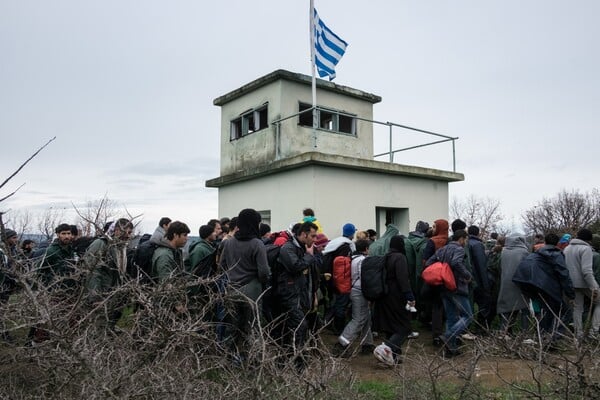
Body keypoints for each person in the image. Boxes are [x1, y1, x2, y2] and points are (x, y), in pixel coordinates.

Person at [219, 209, 270, 362]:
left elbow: (221, 266)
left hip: (232, 289)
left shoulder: (228, 242)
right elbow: (264, 272)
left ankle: (229, 359)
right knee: (253, 327)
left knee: (232, 327)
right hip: (252, 292)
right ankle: (253, 361)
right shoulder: (257, 244)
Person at [512, 233, 575, 343]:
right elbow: (563, 274)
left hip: (524, 280)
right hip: (541, 283)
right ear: (557, 243)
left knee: (547, 310)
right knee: (565, 312)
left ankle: (542, 336)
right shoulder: (556, 254)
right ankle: (552, 338)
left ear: (545, 241)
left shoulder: (536, 253)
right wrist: (571, 293)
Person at [274, 221, 319, 366]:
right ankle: (295, 361)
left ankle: (292, 359)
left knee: (296, 327)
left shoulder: (302, 248)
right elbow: (295, 267)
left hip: (301, 294)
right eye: (313, 236)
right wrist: (309, 256)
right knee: (299, 325)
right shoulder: (288, 248)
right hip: (289, 294)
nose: (315, 239)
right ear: (304, 234)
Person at [426, 229, 472, 357]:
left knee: (451, 317)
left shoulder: (442, 249)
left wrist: (441, 272)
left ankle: (451, 349)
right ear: (461, 239)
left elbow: (429, 262)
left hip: (443, 287)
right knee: (468, 315)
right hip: (457, 287)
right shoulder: (459, 249)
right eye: (465, 240)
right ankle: (448, 335)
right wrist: (467, 275)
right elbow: (456, 262)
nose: (465, 242)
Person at [372, 235, 415, 366]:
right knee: (404, 327)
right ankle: (384, 350)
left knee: (390, 326)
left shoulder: (385, 256)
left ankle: (394, 357)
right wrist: (410, 296)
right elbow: (403, 279)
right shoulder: (400, 257)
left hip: (383, 296)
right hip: (396, 296)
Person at [84, 218, 134, 331]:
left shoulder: (122, 248)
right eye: (125, 231)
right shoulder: (101, 244)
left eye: (130, 232)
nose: (128, 235)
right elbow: (92, 271)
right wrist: (95, 297)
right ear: (116, 230)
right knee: (97, 330)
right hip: (100, 298)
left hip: (113, 296)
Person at [332, 239, 374, 357]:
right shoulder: (362, 260)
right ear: (366, 249)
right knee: (359, 319)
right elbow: (364, 277)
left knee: (366, 318)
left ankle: (367, 344)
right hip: (360, 292)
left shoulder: (353, 258)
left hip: (354, 290)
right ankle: (342, 344)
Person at [564, 228, 600, 339]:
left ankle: (578, 334)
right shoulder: (586, 249)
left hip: (570, 283)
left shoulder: (567, 248)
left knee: (577, 308)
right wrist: (595, 287)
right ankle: (594, 332)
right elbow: (587, 271)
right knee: (599, 302)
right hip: (584, 283)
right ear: (589, 239)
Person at [322, 223, 357, 334]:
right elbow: (342, 267)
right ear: (351, 233)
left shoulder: (334, 243)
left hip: (329, 277)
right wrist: (342, 284)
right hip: (339, 280)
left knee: (333, 302)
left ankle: (327, 322)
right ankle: (339, 328)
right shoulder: (345, 246)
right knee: (340, 304)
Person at [421, 219, 449, 345]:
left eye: (434, 226)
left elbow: (425, 260)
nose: (433, 228)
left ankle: (437, 335)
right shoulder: (450, 241)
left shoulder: (432, 241)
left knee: (436, 306)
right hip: (448, 277)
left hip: (435, 277)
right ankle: (449, 333)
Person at [496, 233, 530, 336]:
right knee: (524, 308)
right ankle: (525, 334)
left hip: (506, 283)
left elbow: (498, 267)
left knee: (507, 309)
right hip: (520, 284)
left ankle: (504, 332)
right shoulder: (524, 252)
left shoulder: (504, 252)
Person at [467, 225, 493, 332]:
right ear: (478, 233)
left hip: (467, 279)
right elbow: (481, 265)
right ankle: (481, 328)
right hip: (477, 280)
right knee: (484, 303)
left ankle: (466, 328)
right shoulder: (477, 245)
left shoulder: (466, 243)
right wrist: (486, 284)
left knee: (469, 304)